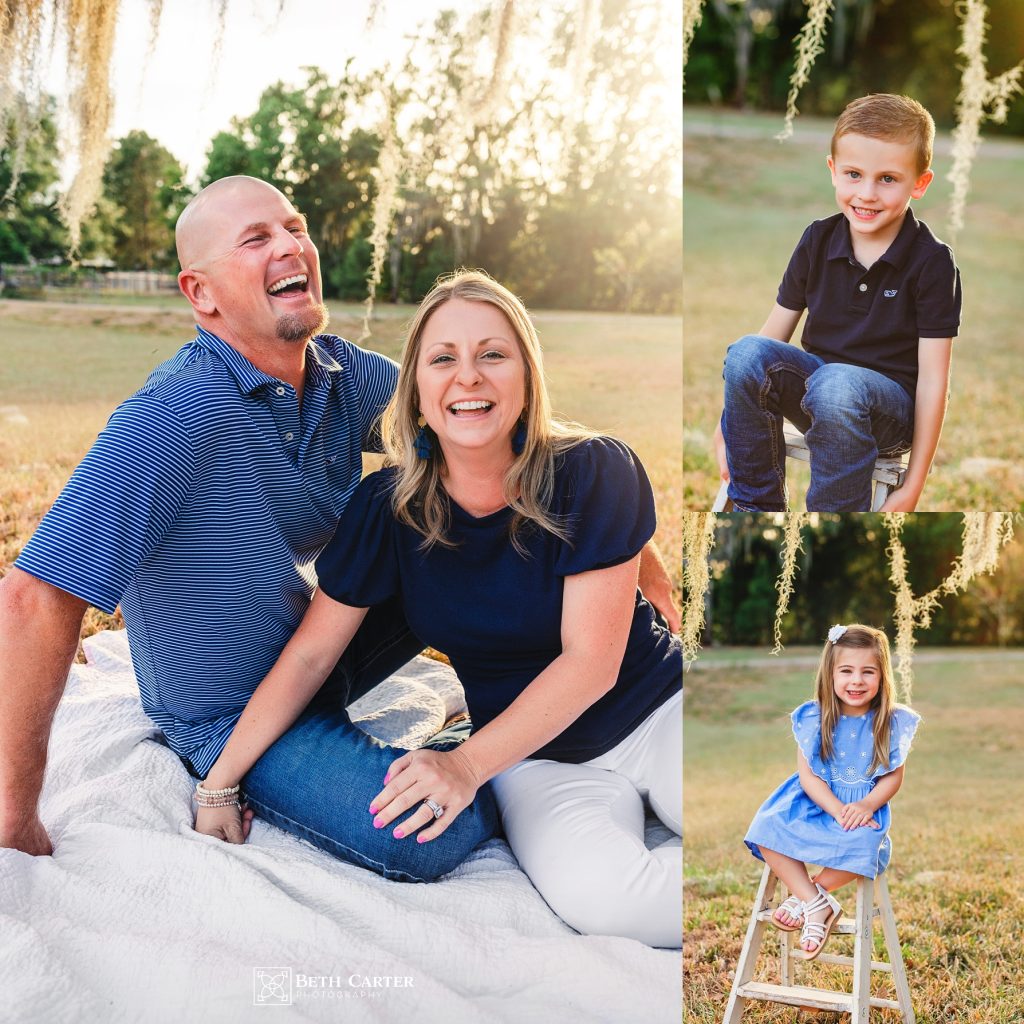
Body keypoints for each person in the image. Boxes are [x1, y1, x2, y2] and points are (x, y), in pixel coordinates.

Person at [0, 176, 680, 881]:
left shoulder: (338, 375)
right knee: (431, 834)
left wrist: (650, 587)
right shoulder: (173, 418)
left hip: (328, 648)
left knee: (451, 515)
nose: (292, 245)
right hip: (234, 708)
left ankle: (531, 718)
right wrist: (14, 820)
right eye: (257, 238)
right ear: (201, 294)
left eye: (295, 228)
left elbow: (512, 436)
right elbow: (32, 598)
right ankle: (489, 745)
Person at [192, 271, 682, 947]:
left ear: (527, 375)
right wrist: (220, 781)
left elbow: (593, 664)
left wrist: (465, 765)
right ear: (417, 390)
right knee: (614, 907)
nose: (468, 378)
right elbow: (310, 655)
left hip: (655, 712)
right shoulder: (386, 509)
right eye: (444, 359)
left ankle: (780, 878)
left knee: (738, 820)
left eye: (493, 355)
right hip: (535, 760)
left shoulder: (592, 469)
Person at [712, 93, 962, 512]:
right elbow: (771, 338)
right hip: (818, 395)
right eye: (853, 174)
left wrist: (913, 485)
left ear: (920, 183)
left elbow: (935, 381)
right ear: (832, 171)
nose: (866, 193)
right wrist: (729, 426)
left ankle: (832, 519)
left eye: (887, 178)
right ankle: (754, 507)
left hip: (888, 414)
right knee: (744, 353)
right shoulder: (818, 239)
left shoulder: (932, 262)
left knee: (838, 383)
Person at [743, 624, 919, 960]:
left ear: (882, 677)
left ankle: (811, 897)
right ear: (830, 673)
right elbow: (808, 778)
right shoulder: (815, 717)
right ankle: (815, 902)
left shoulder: (891, 722)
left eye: (868, 672)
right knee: (766, 828)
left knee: (867, 845)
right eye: (847, 671)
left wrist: (867, 805)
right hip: (816, 805)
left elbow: (893, 778)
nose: (857, 680)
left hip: (860, 811)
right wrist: (836, 808)